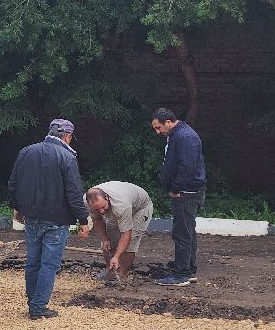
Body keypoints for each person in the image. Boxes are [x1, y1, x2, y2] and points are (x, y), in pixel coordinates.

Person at [6, 118, 88, 320]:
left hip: (31, 216)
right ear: (67, 137)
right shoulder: (67, 157)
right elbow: (74, 192)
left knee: (33, 261)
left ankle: (32, 301)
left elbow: (13, 184)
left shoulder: (26, 152)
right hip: (56, 219)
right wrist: (83, 220)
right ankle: (38, 307)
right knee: (48, 264)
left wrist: (17, 208)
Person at [150, 108, 205, 286]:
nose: (158, 132)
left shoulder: (185, 137)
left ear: (168, 122)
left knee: (182, 232)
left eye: (159, 128)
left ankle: (182, 274)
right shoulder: (178, 135)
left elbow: (186, 166)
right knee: (186, 231)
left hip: (186, 192)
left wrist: (176, 188)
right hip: (187, 191)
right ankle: (187, 267)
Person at [84, 181, 153, 285]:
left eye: (103, 207)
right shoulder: (87, 202)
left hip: (139, 209)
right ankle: (110, 271)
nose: (102, 211)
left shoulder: (121, 204)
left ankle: (122, 275)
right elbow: (97, 220)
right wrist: (104, 239)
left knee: (130, 243)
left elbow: (126, 233)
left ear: (107, 198)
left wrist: (116, 256)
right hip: (117, 208)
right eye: (97, 209)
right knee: (109, 242)